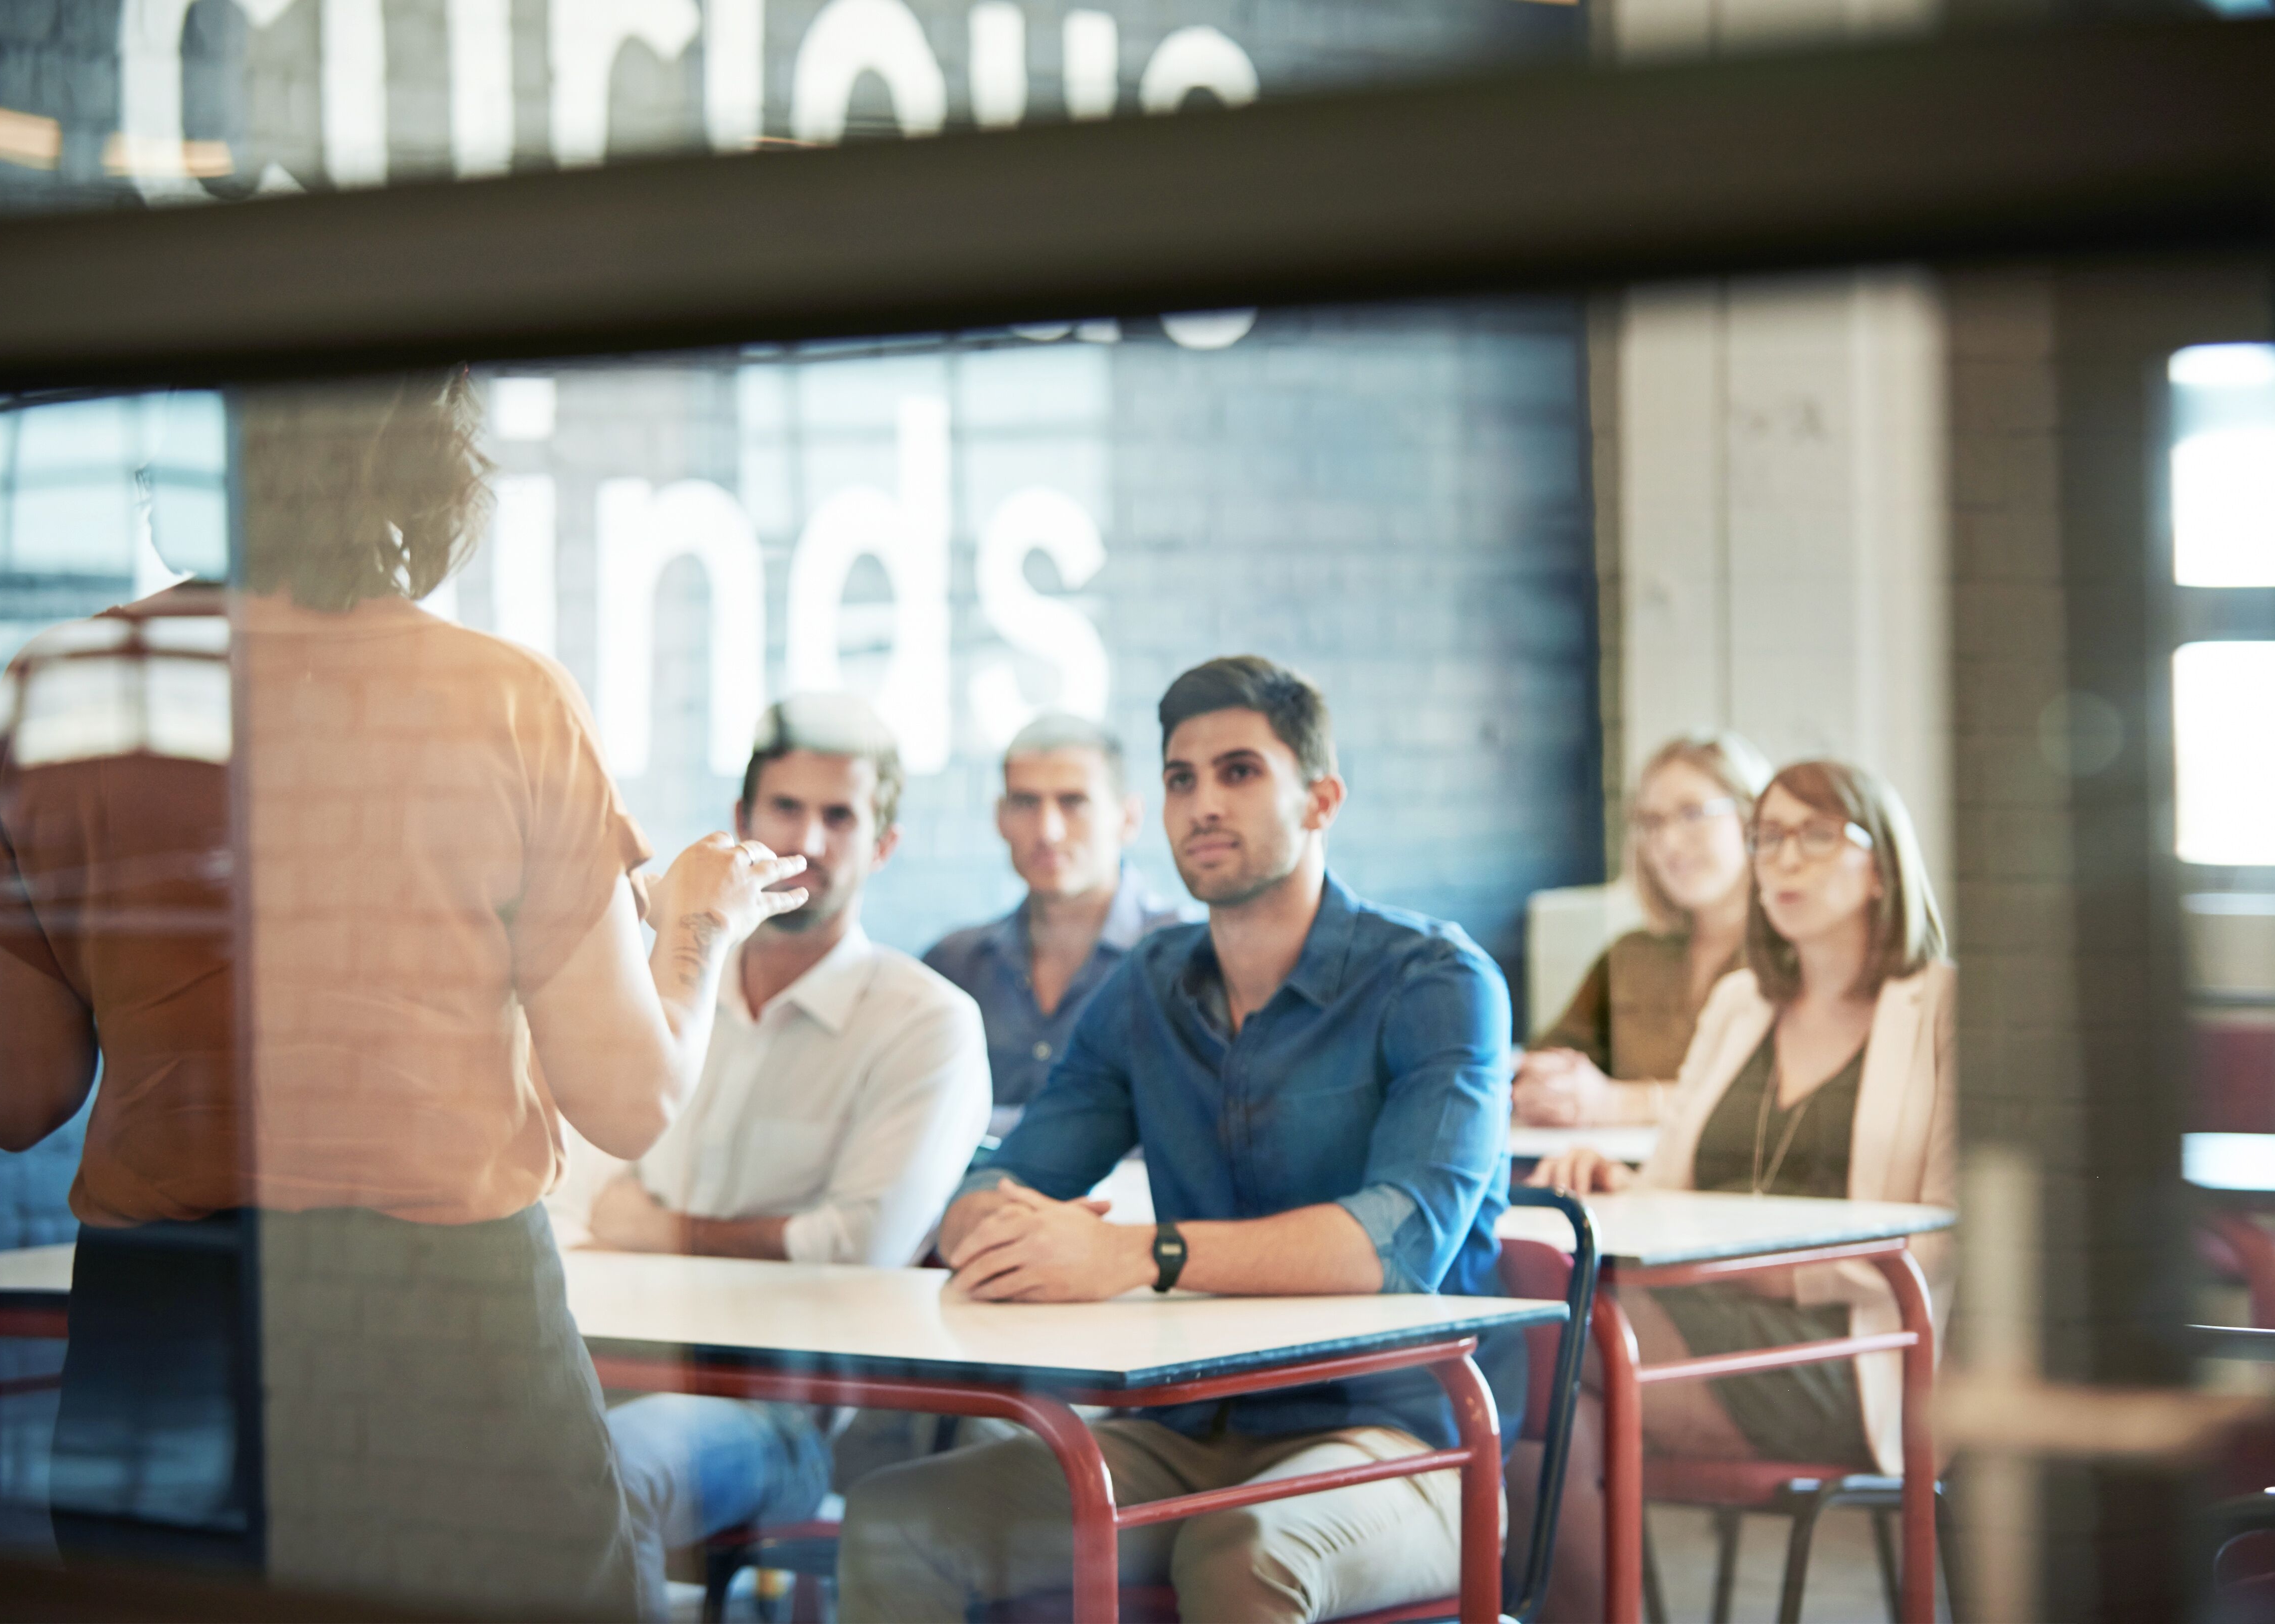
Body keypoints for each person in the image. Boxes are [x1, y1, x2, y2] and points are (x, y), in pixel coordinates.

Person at [0, 372, 807, 1617]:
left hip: (163, 1325)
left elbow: (9, 1097)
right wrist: (701, 926)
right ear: (419, 465)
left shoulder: (57, 697)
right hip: (446, 1329)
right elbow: (629, 1095)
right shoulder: (506, 701)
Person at [837, 655, 1517, 1624]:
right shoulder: (1149, 985)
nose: (1202, 803)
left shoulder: (1437, 981)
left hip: (1409, 1438)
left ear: (1319, 799)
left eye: (1239, 772)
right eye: (1179, 778)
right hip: (1188, 1425)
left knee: (1241, 1551)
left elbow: (1392, 1247)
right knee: (895, 1517)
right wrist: (1001, 1226)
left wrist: (1129, 1254)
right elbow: (996, 1189)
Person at [554, 692, 991, 1619]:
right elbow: (578, 1197)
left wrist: (660, 1229)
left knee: (604, 1472)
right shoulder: (665, 997)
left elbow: (856, 1248)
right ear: (740, 826)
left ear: (882, 846)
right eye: (786, 811)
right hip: (601, 1368)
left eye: (841, 818)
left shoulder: (927, 1025)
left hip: (786, 1423)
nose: (811, 841)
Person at [1531, 759, 1955, 1621]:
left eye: (1814, 836)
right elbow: (1675, 1182)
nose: (1780, 861)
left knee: (1553, 1349)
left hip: (1851, 1351)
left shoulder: (1939, 1007)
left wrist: (1760, 1274)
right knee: (1550, 1379)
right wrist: (1620, 1185)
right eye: (1766, 838)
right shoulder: (1740, 1003)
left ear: (1880, 865)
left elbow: (1943, 1238)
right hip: (1700, 1319)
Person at [924, 712, 1188, 1134]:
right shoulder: (952, 966)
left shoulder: (1188, 959)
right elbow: (910, 1120)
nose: (1047, 830)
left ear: (1129, 817)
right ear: (1000, 819)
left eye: (1073, 802)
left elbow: (1189, 1129)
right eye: (1026, 803)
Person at [1514, 730, 1770, 1127]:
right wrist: (1546, 1084)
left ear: (1751, 819)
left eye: (1692, 813)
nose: (1668, 843)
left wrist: (1623, 1103)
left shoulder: (1792, 958)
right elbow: (1545, 1058)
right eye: (1651, 823)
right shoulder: (1630, 956)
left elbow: (1779, 1104)